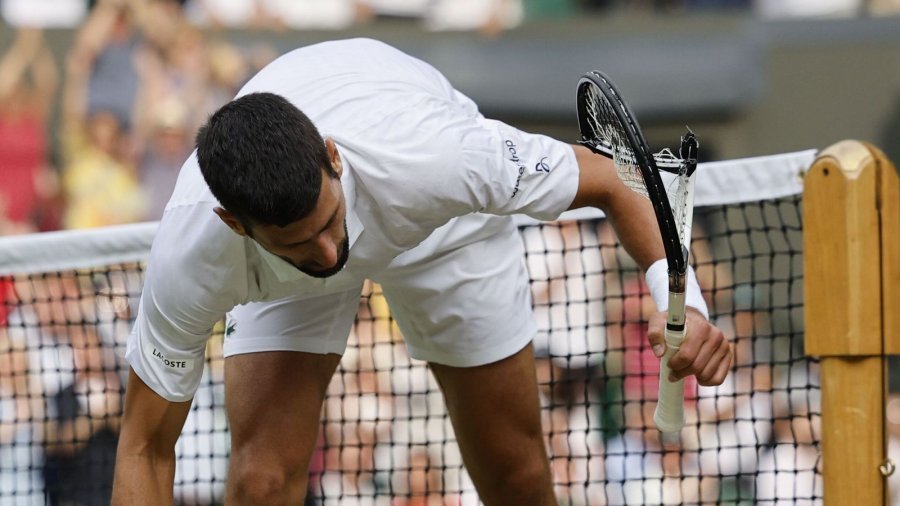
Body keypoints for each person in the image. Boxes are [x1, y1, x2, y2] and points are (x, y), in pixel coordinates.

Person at [111, 38, 732, 505]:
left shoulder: (441, 154)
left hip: (443, 229)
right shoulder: (190, 256)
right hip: (280, 281)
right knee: (261, 479)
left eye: (328, 223)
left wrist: (682, 301)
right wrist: (309, 243)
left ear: (333, 158)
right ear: (235, 224)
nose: (329, 256)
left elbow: (613, 179)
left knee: (513, 473)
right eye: (300, 242)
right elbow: (144, 447)